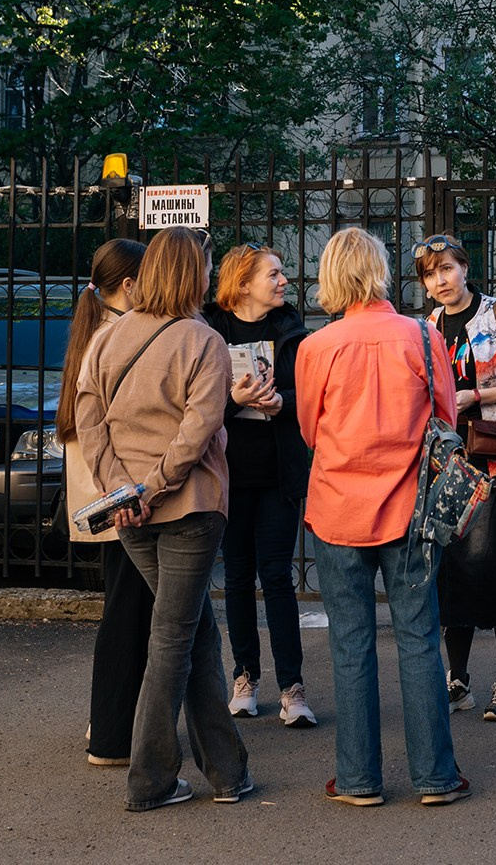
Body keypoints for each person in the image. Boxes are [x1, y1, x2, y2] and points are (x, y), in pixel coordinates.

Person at [72, 227, 251, 812]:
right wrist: (153, 486)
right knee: (174, 636)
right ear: (191, 275)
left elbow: (89, 423)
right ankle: (150, 779)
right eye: (205, 267)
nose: (210, 277)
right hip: (190, 509)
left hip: (130, 514)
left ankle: (227, 771)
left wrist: (124, 490)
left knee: (194, 630)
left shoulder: (105, 339)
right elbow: (198, 433)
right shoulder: (204, 341)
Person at [296, 227, 470, 807]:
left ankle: (358, 779)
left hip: (337, 508)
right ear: (381, 270)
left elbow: (307, 430)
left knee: (350, 642)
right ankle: (435, 777)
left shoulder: (315, 348)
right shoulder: (422, 336)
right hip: (410, 511)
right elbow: (445, 415)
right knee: (420, 637)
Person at [412, 234, 496, 722]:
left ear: (464, 268)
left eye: (447, 268)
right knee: (453, 571)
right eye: (431, 274)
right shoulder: (425, 327)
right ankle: (458, 679)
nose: (441, 280)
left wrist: (475, 397)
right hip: (448, 467)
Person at [203, 243, 316, 728]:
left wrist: (280, 405)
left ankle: (293, 688)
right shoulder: (210, 329)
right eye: (273, 274)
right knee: (237, 578)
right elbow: (197, 400)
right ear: (243, 282)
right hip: (227, 472)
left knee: (276, 577)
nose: (284, 281)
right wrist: (232, 401)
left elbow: (309, 393)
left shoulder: (290, 330)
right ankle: (245, 677)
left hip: (277, 473)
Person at [56, 238, 151, 769]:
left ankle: (111, 721)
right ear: (130, 285)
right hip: (120, 494)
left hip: (103, 491)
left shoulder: (92, 329)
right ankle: (112, 733)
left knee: (126, 610)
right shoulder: (115, 336)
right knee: (127, 615)